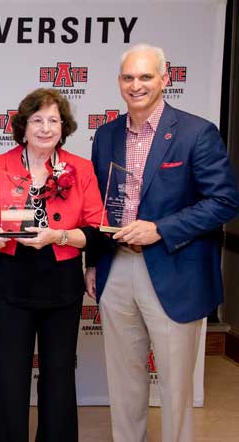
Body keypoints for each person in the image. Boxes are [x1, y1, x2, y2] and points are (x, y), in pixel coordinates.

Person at [87, 43, 239, 442]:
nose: (136, 85)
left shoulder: (196, 132)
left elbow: (224, 201)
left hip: (175, 269)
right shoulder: (105, 135)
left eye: (146, 76)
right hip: (115, 267)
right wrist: (92, 262)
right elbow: (99, 204)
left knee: (175, 386)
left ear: (165, 78)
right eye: (128, 77)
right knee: (123, 380)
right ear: (120, 82)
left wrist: (161, 228)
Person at [0, 88, 107, 441]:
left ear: (64, 126)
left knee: (59, 373)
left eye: (53, 120)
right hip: (11, 282)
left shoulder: (82, 168)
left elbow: (96, 230)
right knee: (8, 374)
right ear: (23, 126)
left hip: (61, 283)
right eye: (38, 120)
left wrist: (58, 237)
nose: (46, 128)